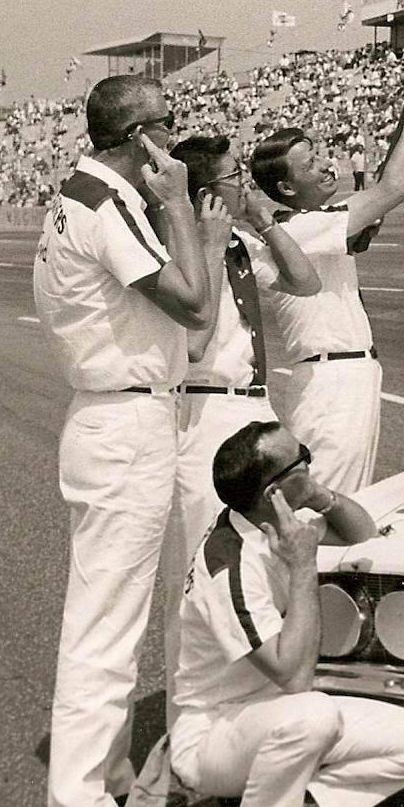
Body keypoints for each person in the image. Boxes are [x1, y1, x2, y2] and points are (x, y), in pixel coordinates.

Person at [33, 74, 221, 807]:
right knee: (106, 620)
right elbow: (193, 302)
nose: (174, 142)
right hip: (125, 417)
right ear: (140, 137)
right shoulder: (107, 202)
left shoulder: (81, 195)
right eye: (166, 127)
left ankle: (98, 776)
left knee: (107, 613)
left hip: (114, 414)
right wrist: (179, 205)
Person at [171, 422, 404, 807]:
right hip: (213, 732)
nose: (311, 459)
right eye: (303, 458)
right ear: (275, 490)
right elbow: (295, 676)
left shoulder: (270, 522)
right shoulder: (229, 563)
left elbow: (362, 533)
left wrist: (318, 494)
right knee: (314, 713)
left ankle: (267, 803)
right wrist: (304, 565)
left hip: (274, 717)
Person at [164, 135, 322, 709]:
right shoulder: (178, 245)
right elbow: (194, 341)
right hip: (204, 407)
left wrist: (261, 219)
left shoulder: (235, 242)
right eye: (235, 178)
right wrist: (205, 241)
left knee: (272, 551)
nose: (245, 184)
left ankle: (264, 694)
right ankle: (194, 721)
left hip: (254, 403)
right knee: (207, 570)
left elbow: (306, 282)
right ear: (208, 193)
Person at [249, 54, 404, 494]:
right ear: (286, 188)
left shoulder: (315, 220)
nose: (326, 166)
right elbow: (397, 187)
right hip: (332, 383)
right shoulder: (299, 227)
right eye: (310, 163)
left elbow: (380, 196)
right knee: (327, 506)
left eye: (320, 155)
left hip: (342, 377)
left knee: (340, 501)